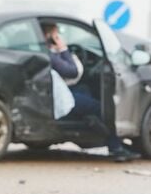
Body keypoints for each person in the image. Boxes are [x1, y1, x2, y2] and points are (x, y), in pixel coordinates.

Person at [41, 23, 140, 162]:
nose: (59, 38)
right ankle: (115, 146)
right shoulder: (48, 54)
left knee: (84, 90)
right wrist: (63, 49)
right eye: (56, 35)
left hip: (57, 92)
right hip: (57, 97)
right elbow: (72, 71)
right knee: (101, 108)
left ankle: (90, 122)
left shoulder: (44, 51)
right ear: (49, 36)